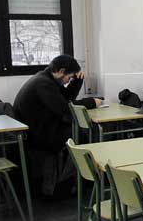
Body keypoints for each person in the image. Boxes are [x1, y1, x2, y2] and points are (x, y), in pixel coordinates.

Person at [13, 54, 101, 196]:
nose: (68, 81)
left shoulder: (45, 79)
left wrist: (77, 82)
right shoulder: (44, 84)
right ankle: (86, 180)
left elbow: (65, 98)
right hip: (40, 135)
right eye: (69, 77)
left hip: (39, 129)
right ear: (61, 71)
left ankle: (85, 178)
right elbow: (65, 108)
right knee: (84, 134)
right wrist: (92, 102)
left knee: (81, 132)